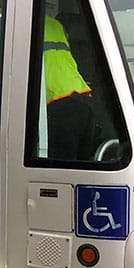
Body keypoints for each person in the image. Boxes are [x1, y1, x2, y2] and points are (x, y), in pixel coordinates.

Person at [43, 16, 93, 160]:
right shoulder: (55, 24)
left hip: (58, 100)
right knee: (79, 164)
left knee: (59, 164)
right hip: (82, 96)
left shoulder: (18, 19)